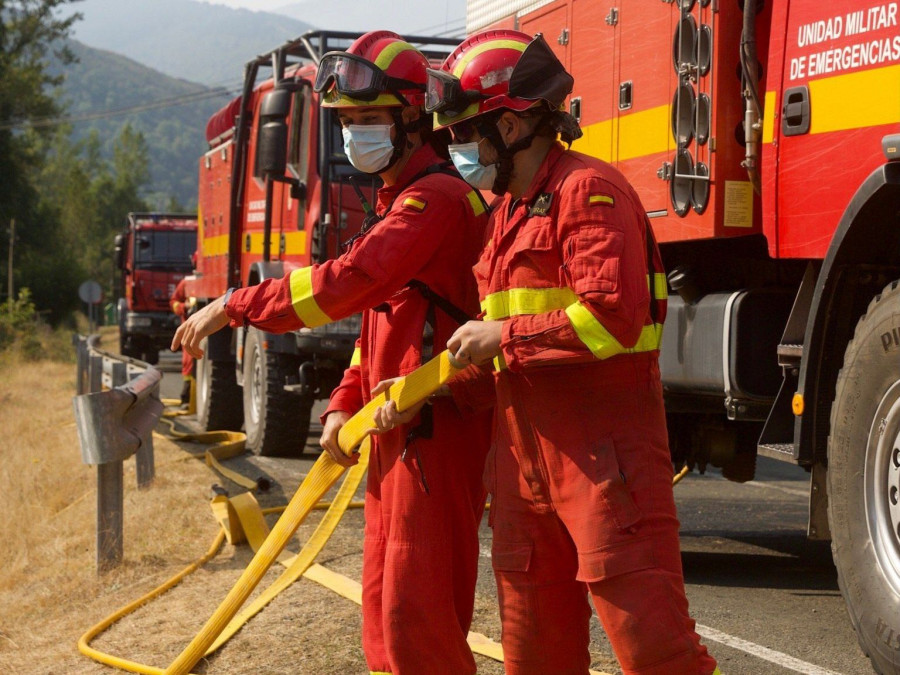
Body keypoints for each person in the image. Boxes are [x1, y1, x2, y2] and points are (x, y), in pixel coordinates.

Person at [171, 31, 492, 675]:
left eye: (367, 119)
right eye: (345, 121)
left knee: (415, 621)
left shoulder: (436, 203)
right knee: (383, 608)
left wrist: (233, 304)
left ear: (409, 119)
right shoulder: (400, 201)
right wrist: (342, 405)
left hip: (433, 436)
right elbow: (379, 328)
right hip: (398, 432)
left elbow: (344, 285)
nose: (354, 135)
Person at [425, 30, 720, 675]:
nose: (456, 150)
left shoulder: (589, 193)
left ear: (510, 124)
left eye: (462, 133)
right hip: (523, 473)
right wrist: (434, 390)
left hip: (604, 466)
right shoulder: (505, 214)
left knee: (655, 652)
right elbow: (500, 351)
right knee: (534, 657)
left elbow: (611, 317)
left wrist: (501, 338)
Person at [169, 275, 194, 406]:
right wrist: (184, 307)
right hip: (188, 329)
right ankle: (186, 396)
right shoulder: (186, 283)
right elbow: (173, 302)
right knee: (188, 362)